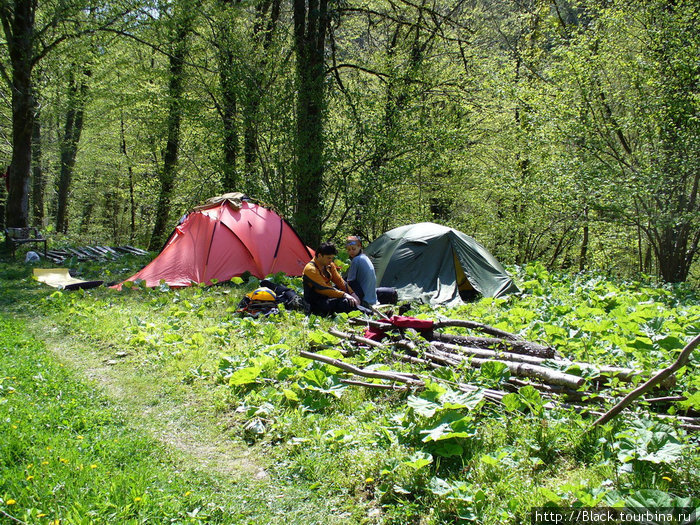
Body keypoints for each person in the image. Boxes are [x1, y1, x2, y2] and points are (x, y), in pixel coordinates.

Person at [303, 242, 361, 316]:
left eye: (332, 258)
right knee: (344, 302)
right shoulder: (310, 269)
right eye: (328, 258)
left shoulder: (329, 265)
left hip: (329, 297)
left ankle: (358, 304)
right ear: (320, 255)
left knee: (354, 286)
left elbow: (339, 281)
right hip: (317, 302)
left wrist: (352, 293)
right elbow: (324, 289)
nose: (331, 260)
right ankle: (366, 312)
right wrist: (344, 294)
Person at [345, 235, 377, 307]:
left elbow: (350, 281)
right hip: (372, 299)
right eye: (349, 250)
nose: (351, 252)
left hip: (363, 299)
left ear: (360, 247)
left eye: (353, 249)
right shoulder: (365, 257)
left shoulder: (356, 260)